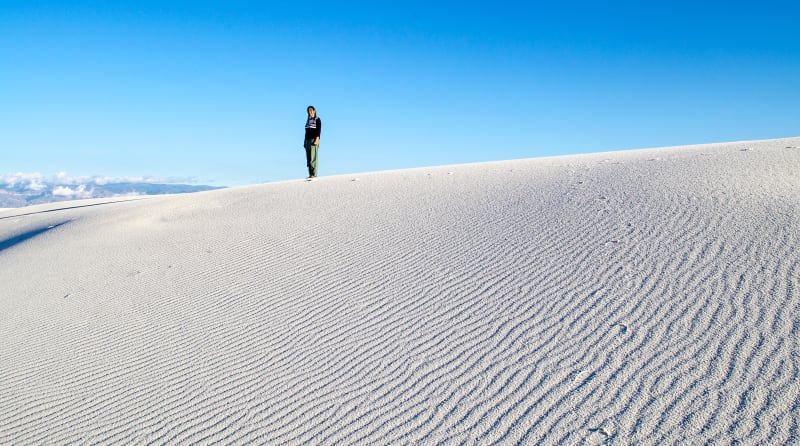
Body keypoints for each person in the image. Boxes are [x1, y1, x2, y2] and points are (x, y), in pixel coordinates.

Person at [303, 106, 321, 178]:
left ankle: (314, 174)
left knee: (313, 158)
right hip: (307, 140)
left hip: (314, 140)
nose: (310, 112)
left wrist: (317, 139)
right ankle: (310, 174)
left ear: (314, 111)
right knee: (308, 158)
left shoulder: (317, 119)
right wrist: (304, 142)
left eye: (311, 110)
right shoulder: (308, 121)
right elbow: (306, 132)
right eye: (308, 111)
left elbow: (318, 131)